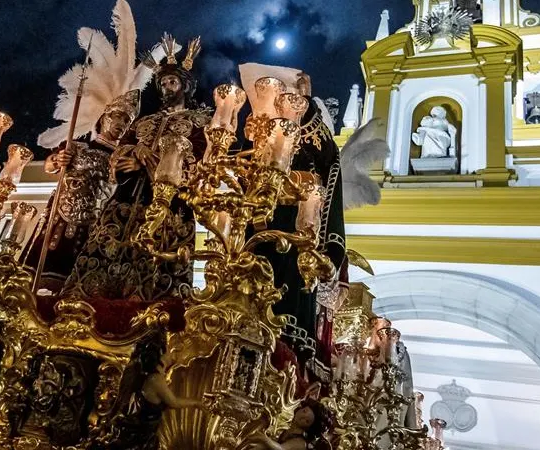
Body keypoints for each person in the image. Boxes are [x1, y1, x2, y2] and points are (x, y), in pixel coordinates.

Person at [63, 33, 211, 303]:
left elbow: (199, 159)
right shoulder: (144, 122)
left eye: (172, 81)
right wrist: (132, 153)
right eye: (163, 82)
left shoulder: (198, 122)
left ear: (185, 87)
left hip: (169, 205)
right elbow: (119, 151)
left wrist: (155, 164)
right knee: (101, 264)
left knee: (154, 275)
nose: (167, 87)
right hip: (125, 201)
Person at [240, 67, 347, 369]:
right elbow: (247, 169)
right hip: (262, 218)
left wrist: (330, 245)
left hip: (298, 223)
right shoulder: (264, 132)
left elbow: (330, 172)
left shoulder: (316, 136)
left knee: (289, 296)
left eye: (296, 92)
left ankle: (286, 363)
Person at [24, 91, 140, 292]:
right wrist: (58, 160)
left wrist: (137, 166)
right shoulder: (78, 147)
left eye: (127, 120)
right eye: (117, 117)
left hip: (95, 226)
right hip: (60, 221)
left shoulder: (123, 156)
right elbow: (50, 166)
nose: (121, 123)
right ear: (105, 118)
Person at [98, 328, 202, 449]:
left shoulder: (148, 375)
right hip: (140, 434)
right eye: (170, 349)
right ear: (161, 354)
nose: (173, 352)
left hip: (143, 431)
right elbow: (174, 402)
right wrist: (196, 403)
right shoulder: (155, 380)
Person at [241, 398, 335, 450]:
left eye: (307, 421)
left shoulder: (300, 442)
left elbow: (281, 449)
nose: (302, 417)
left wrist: (264, 439)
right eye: (304, 411)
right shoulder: (288, 432)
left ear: (310, 427)